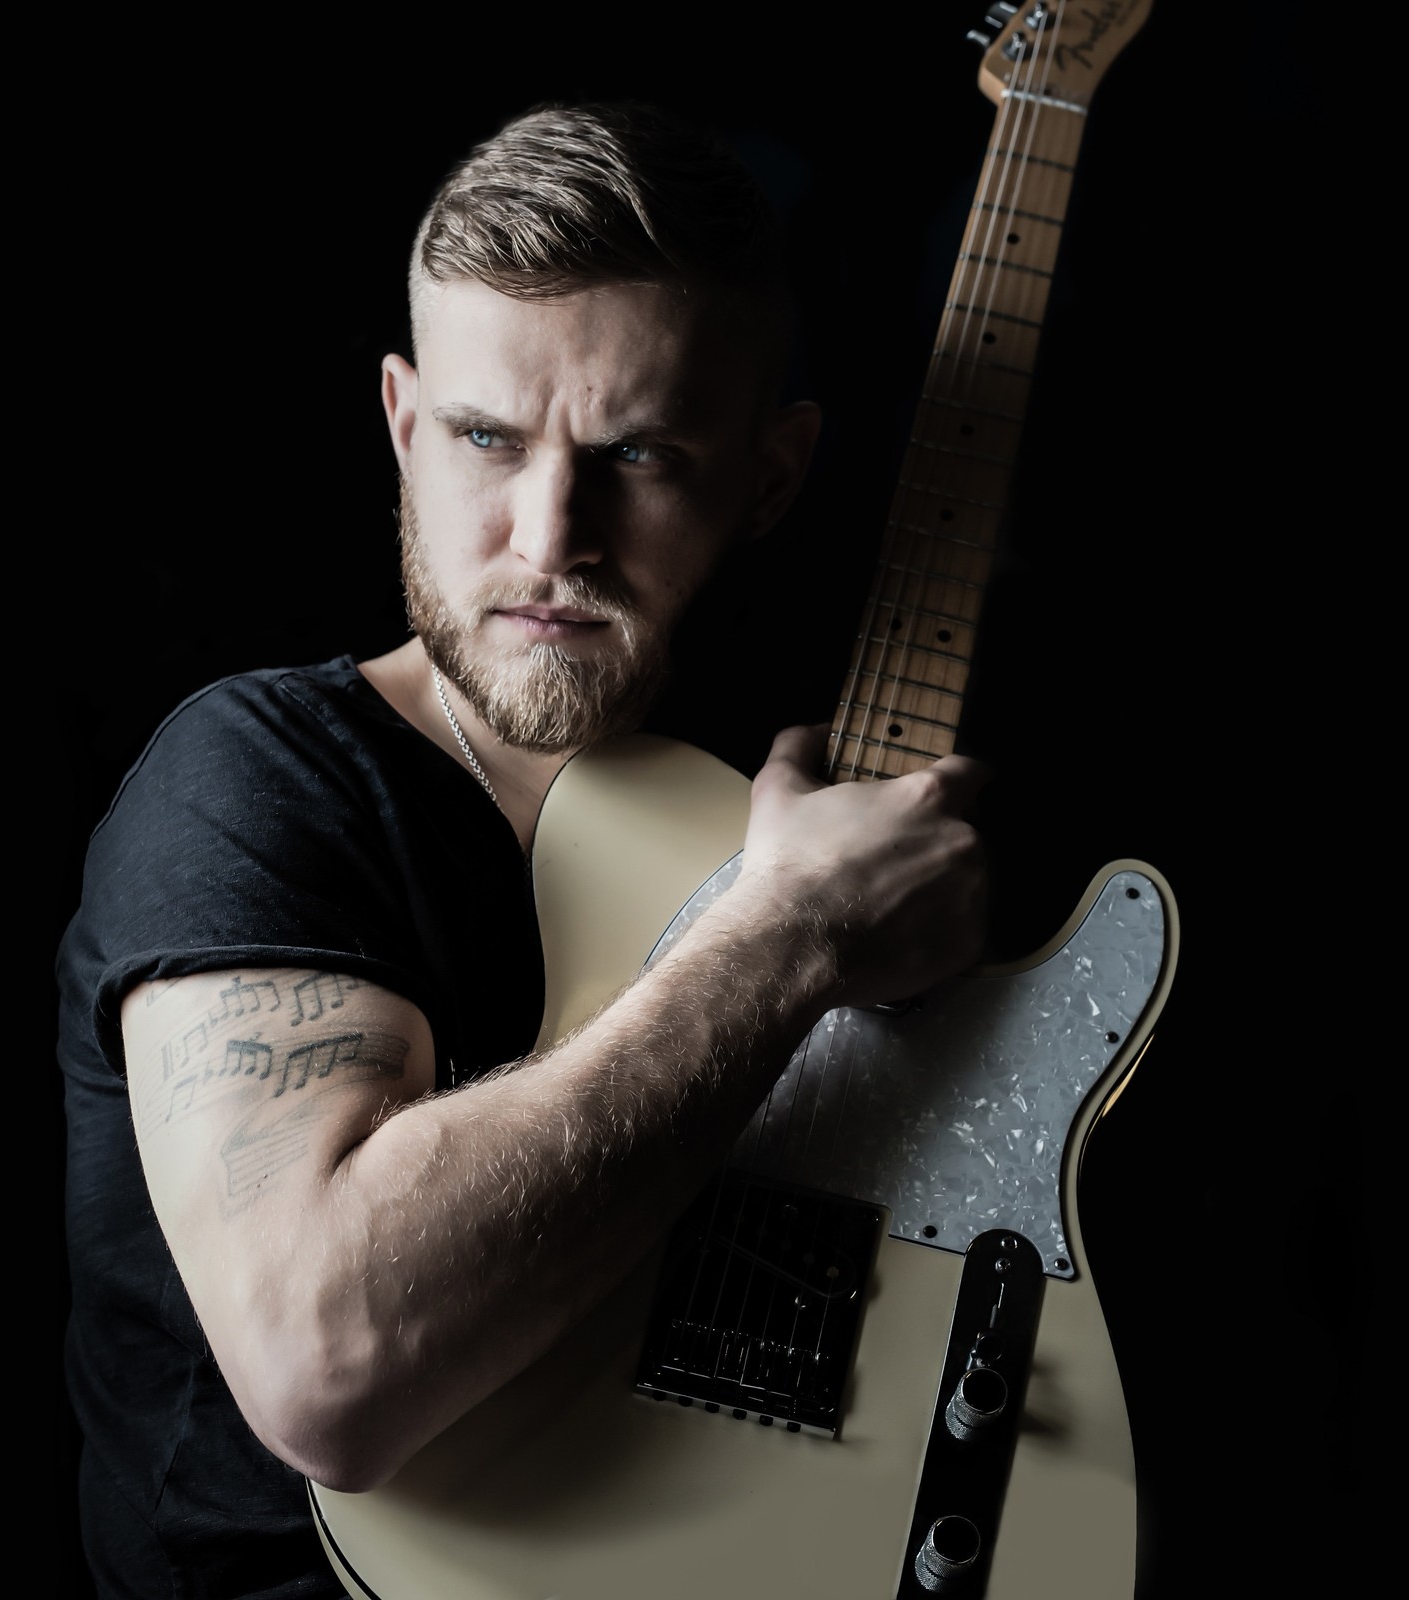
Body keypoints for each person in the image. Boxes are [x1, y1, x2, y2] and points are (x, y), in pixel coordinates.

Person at [57, 98, 990, 1598]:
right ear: (403, 425)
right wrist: (792, 933)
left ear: (769, 476)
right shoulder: (258, 779)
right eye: (487, 438)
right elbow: (325, 1371)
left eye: (640, 454)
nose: (550, 535)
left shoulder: (791, 804)